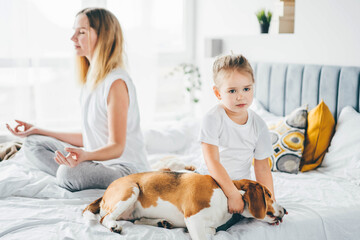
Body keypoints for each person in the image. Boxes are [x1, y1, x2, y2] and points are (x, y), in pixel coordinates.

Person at [6, 8, 151, 192]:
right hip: (98, 161)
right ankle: (70, 173)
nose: (73, 38)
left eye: (81, 32)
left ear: (103, 37)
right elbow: (90, 137)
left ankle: (69, 175)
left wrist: (85, 156)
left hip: (126, 169)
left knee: (69, 173)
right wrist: (38, 129)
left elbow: (116, 147)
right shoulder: (92, 80)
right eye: (74, 31)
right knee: (32, 143)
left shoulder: (116, 83)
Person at [198, 54, 276, 228]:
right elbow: (212, 162)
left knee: (252, 214)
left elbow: (262, 167)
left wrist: (270, 203)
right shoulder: (212, 118)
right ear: (218, 93)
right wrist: (231, 194)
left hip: (241, 186)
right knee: (206, 219)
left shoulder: (259, 125)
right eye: (232, 91)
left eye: (246, 89)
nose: (241, 96)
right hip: (210, 182)